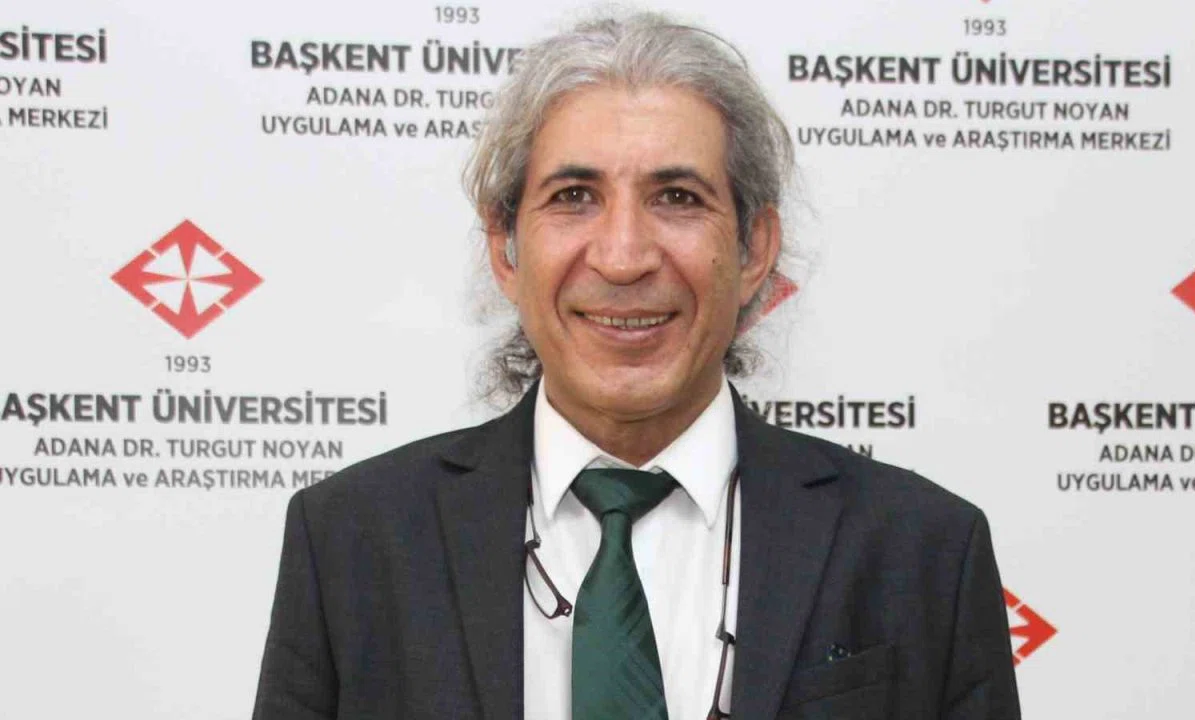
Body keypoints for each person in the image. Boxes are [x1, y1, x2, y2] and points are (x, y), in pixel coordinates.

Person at [252, 11, 1020, 720]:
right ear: (505, 250)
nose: (623, 257)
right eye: (574, 195)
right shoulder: (352, 539)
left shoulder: (924, 550)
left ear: (754, 249)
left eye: (677, 197)